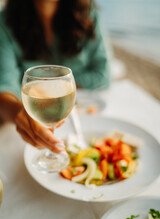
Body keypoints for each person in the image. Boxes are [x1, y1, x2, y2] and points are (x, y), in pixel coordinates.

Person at [0, 0, 111, 152]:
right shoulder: (5, 23)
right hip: (21, 132)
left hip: (87, 118)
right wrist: (18, 112)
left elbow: (102, 74)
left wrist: (60, 86)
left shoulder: (88, 13)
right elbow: (4, 87)